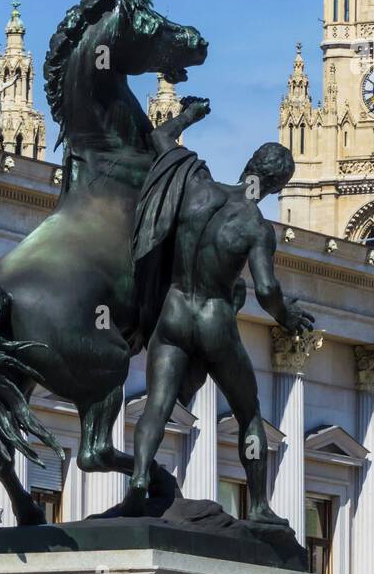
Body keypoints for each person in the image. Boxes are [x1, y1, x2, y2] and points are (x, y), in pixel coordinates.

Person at [119, 96, 314, 522]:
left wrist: (191, 115)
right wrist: (287, 316)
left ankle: (137, 480)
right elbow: (265, 289)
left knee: (157, 403)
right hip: (214, 322)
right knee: (248, 413)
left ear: (247, 164)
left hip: (172, 313)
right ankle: (260, 506)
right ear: (277, 186)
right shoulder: (255, 228)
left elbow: (159, 137)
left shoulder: (196, 185)